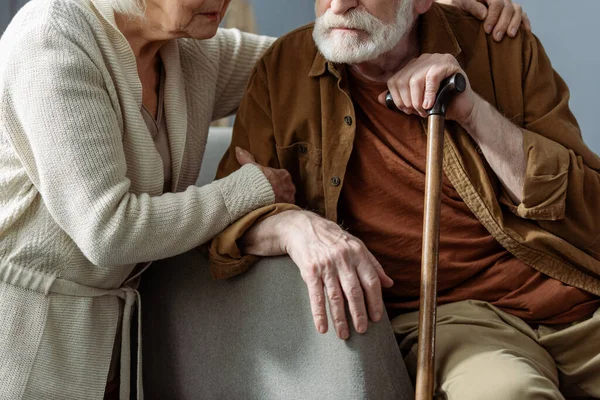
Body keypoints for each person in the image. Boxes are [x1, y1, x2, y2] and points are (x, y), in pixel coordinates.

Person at [0, 0, 527, 398]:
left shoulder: (189, 52)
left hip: (117, 337)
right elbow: (108, 230)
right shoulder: (54, 38)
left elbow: (331, 51)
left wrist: (436, 14)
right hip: (23, 338)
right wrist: (250, 191)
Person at [210, 0, 600, 399]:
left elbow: (589, 210)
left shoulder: (498, 43)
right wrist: (293, 225)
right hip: (457, 320)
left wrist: (473, 114)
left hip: (574, 286)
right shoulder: (282, 71)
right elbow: (229, 224)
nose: (340, 5)